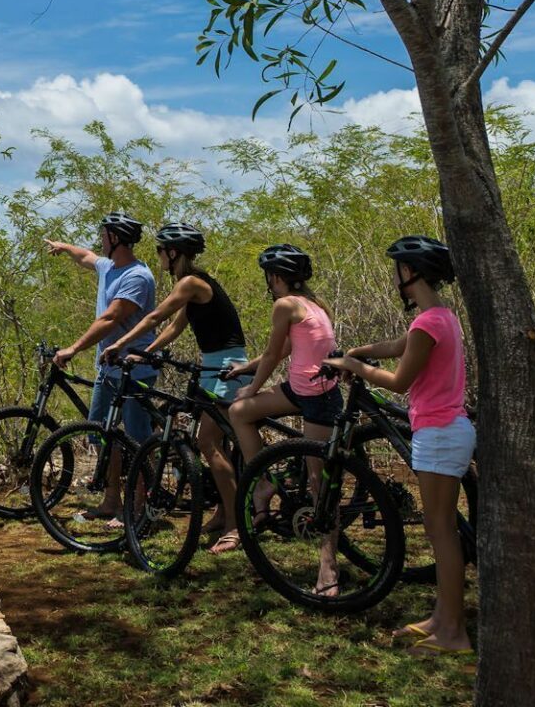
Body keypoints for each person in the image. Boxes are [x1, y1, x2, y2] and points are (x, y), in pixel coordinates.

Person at [326, 236, 474, 655]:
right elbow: (397, 347)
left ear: (409, 272)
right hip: (443, 431)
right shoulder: (440, 316)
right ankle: (441, 618)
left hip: (440, 433)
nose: (395, 277)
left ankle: (454, 633)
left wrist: (355, 366)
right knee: (438, 529)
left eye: (397, 270)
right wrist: (356, 351)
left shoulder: (428, 324)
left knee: (441, 532)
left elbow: (399, 381)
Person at [100, 222, 250, 550]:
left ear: (172, 253)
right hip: (216, 363)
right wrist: (142, 352)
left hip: (227, 366)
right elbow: (173, 328)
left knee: (207, 442)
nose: (157, 256)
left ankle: (238, 526)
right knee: (215, 444)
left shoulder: (190, 283)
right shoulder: (192, 284)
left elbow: (154, 318)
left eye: (159, 251)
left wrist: (119, 344)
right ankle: (225, 511)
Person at [225, 243, 343, 591]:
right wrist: (246, 368)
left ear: (275, 277)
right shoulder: (314, 304)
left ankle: (328, 568)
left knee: (322, 486)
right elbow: (290, 348)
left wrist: (251, 386)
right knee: (240, 414)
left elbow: (275, 353)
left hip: (320, 397)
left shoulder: (285, 304)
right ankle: (263, 483)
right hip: (300, 389)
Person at [44, 213, 157, 523]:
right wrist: (65, 246)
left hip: (134, 370)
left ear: (116, 238)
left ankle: (140, 507)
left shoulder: (136, 276)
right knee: (102, 434)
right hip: (109, 370)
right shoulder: (109, 267)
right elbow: (87, 258)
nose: (100, 239)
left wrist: (73, 348)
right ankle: (111, 501)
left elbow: (111, 319)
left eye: (104, 234)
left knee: (136, 441)